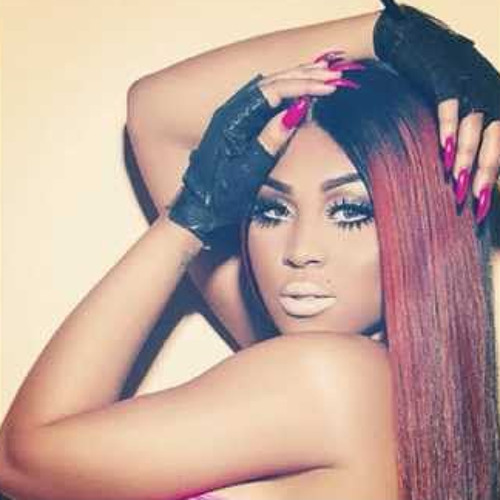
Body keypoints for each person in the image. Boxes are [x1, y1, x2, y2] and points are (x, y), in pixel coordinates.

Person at [0, 3, 499, 500]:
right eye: (271, 210)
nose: (299, 251)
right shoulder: (416, 402)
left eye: (350, 211)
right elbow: (155, 113)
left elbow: (18, 460)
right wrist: (400, 36)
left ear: (422, 225)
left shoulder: (325, 379)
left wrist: (189, 217)